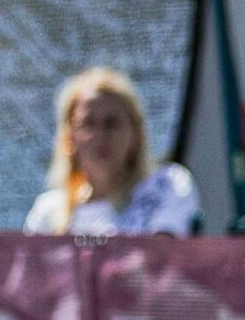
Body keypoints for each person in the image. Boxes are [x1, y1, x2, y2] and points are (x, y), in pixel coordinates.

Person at [23, 68, 200, 236]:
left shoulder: (167, 184)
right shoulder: (47, 211)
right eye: (88, 123)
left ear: (136, 132)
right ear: (69, 137)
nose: (100, 135)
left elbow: (160, 256)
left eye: (111, 123)